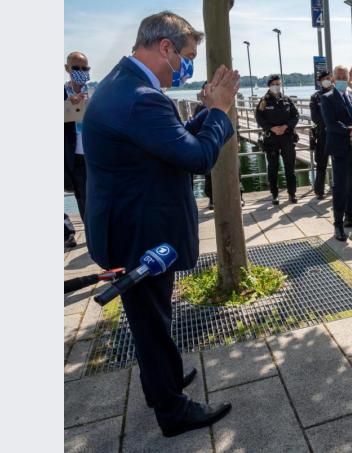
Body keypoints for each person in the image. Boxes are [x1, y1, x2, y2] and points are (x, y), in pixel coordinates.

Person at [82, 11, 239, 436]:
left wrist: (207, 114)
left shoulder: (124, 84)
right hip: (139, 231)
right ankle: (172, 410)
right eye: (186, 56)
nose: (187, 66)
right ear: (165, 48)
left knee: (154, 316)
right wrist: (221, 111)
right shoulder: (139, 96)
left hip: (128, 224)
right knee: (151, 322)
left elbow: (175, 138)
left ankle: (162, 381)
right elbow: (196, 157)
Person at [319, 65, 352, 242]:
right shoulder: (326, 98)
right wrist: (351, 130)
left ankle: (350, 218)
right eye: (338, 76)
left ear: (349, 77)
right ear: (333, 79)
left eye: (344, 76)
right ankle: (338, 224)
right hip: (340, 149)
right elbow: (331, 124)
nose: (341, 78)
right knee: (340, 187)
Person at [256, 74, 300, 205]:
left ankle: (292, 194)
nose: (276, 86)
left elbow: (296, 116)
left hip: (287, 137)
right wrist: (271, 128)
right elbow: (259, 118)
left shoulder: (287, 100)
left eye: (278, 84)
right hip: (271, 139)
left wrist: (286, 126)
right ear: (269, 85)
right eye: (274, 84)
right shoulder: (264, 101)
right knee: (273, 168)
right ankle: (275, 195)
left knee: (289, 168)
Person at [64, 51, 92, 223]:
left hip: (96, 153)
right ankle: (92, 239)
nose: (81, 71)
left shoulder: (96, 92)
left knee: (105, 196)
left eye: (85, 68)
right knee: (84, 199)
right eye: (76, 68)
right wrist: (68, 105)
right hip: (76, 157)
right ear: (67, 68)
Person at [310, 70, 333, 200]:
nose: (326, 80)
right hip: (322, 134)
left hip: (336, 134)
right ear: (319, 82)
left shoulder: (338, 94)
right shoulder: (315, 97)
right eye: (323, 79)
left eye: (328, 78)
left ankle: (339, 187)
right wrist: (328, 124)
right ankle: (319, 190)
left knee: (339, 162)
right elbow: (314, 116)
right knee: (321, 164)